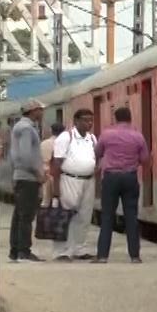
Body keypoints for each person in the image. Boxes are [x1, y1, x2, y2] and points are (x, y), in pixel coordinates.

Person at [94, 105, 150, 263]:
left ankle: (103, 256)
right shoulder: (138, 136)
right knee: (131, 217)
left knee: (107, 217)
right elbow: (145, 160)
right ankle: (135, 256)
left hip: (111, 178)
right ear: (130, 118)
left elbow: (97, 153)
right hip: (130, 178)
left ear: (115, 119)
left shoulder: (106, 135)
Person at [49, 109, 99, 261]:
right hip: (69, 179)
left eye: (91, 120)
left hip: (88, 180)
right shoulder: (66, 137)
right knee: (66, 215)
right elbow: (56, 163)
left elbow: (95, 157)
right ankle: (62, 251)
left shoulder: (92, 138)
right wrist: (56, 189)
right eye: (85, 120)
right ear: (75, 121)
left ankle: (79, 248)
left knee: (84, 216)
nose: (89, 123)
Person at [7, 100, 45, 262]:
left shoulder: (21, 127)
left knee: (19, 215)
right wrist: (37, 173)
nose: (42, 113)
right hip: (28, 177)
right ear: (32, 111)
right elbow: (26, 155)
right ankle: (24, 251)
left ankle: (16, 250)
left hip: (22, 176)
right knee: (26, 216)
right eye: (40, 110)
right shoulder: (26, 129)